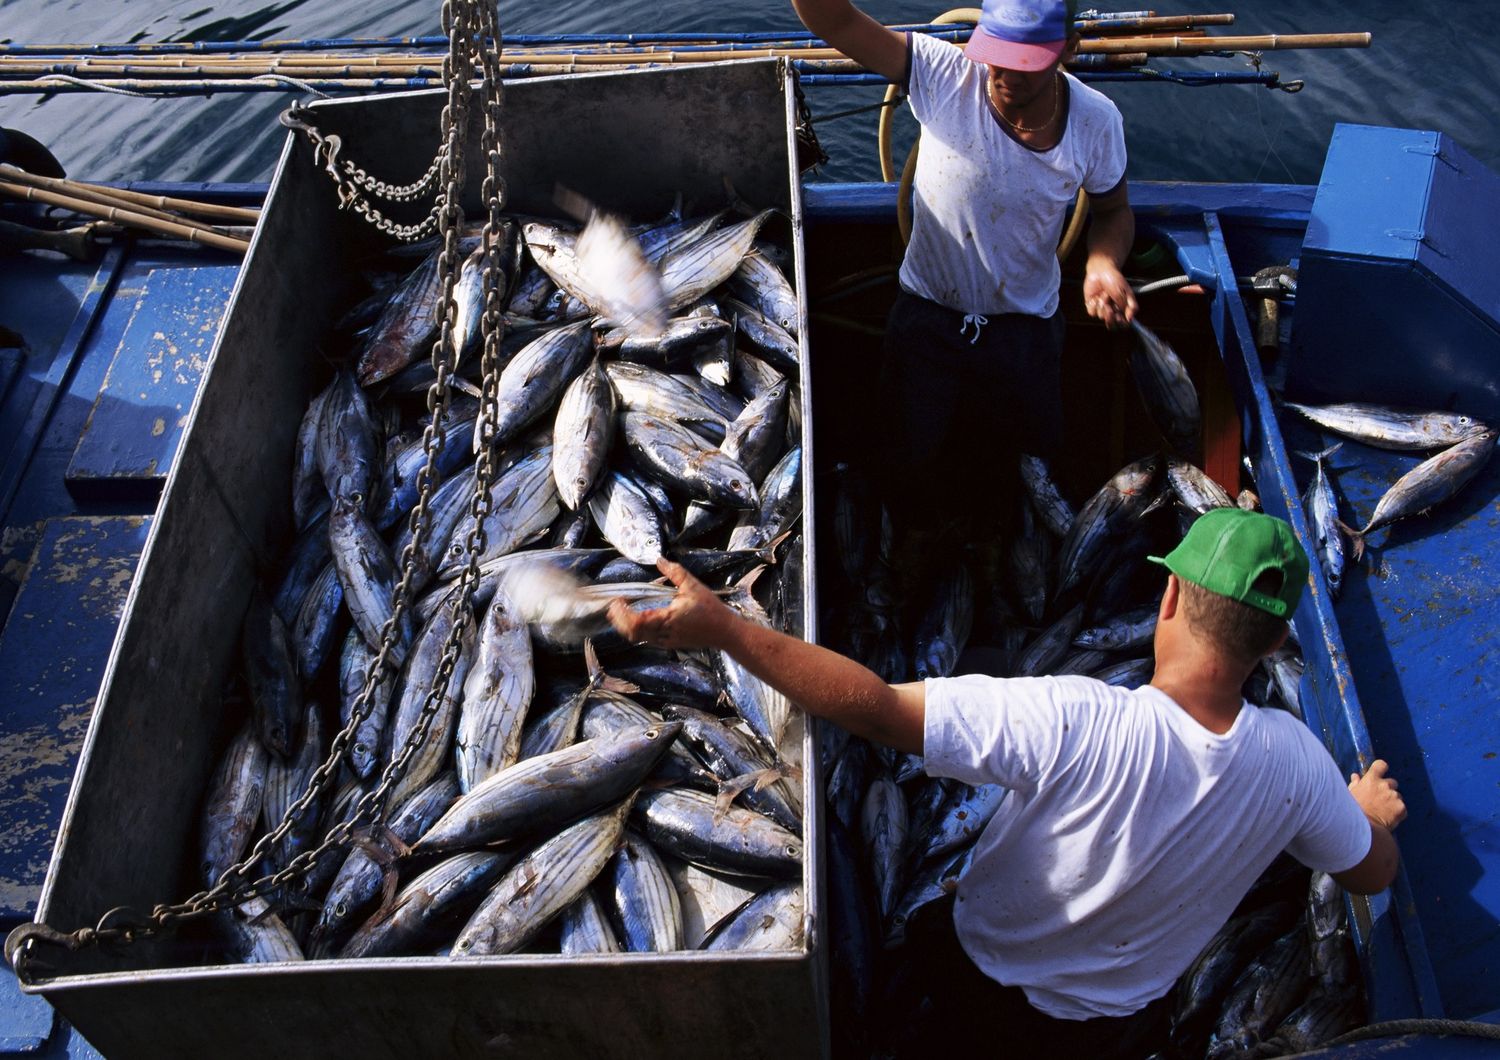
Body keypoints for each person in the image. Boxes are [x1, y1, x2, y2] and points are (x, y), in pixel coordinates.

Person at [609, 508, 1406, 1057]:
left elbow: (879, 709)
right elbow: (1371, 871)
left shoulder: (1076, 719)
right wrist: (1362, 815)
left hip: (973, 989)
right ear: (1271, 646)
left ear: (1168, 595)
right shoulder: (1296, 764)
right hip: (1106, 1038)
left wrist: (724, 628)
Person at [790, 0, 1138, 551]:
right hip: (927, 320)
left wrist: (1101, 264)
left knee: (1028, 466)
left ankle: (1000, 560)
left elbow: (1113, 212)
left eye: (1025, 64)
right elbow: (834, 21)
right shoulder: (944, 74)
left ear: (1069, 51)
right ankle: (908, 553)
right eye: (995, 57)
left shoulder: (1097, 121)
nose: (1003, 76)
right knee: (907, 452)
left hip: (1025, 332)